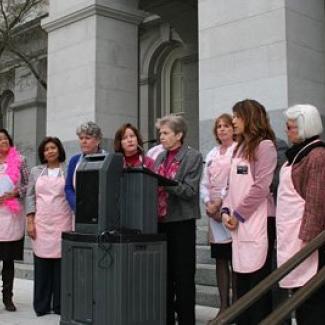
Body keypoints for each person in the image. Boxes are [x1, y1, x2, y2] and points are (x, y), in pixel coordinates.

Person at [222, 99, 277, 324]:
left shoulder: (265, 147)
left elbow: (261, 187)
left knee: (258, 284)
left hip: (259, 222)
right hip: (239, 226)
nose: (233, 121)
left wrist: (238, 214)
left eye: (237, 116)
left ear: (249, 117)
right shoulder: (238, 148)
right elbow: (230, 187)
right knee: (241, 283)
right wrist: (226, 210)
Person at [276, 104, 325, 324]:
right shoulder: (296, 155)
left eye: (291, 127)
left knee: (312, 300)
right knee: (300, 298)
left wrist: (308, 240)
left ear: (305, 127)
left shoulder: (317, 155)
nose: (287, 131)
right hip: (292, 236)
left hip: (307, 242)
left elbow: (316, 202)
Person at [154, 115, 203, 325]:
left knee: (183, 276)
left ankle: (186, 320)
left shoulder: (193, 156)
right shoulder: (159, 158)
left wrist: (165, 183)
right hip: (160, 222)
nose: (161, 137)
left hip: (182, 222)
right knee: (165, 275)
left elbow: (190, 191)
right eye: (160, 133)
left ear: (179, 135)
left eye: (165, 133)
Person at [25, 137, 73, 316]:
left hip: (63, 221)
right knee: (42, 265)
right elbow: (30, 196)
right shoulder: (36, 171)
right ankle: (42, 305)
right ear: (42, 154)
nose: (50, 151)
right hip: (42, 223)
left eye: (53, 148)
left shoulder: (68, 170)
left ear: (59, 150)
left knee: (61, 266)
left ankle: (60, 305)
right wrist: (30, 220)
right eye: (46, 149)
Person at [200, 114, 237, 321]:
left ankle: (238, 306)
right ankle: (223, 306)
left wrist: (219, 204)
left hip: (230, 211)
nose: (222, 130)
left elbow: (234, 182)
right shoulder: (212, 152)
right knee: (220, 260)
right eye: (219, 127)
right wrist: (207, 202)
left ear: (234, 129)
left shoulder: (238, 151)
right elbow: (205, 182)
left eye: (226, 126)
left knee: (235, 260)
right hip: (213, 215)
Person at [0, 128, 29, 312]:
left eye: (4, 138)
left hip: (11, 215)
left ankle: (7, 297)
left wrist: (16, 192)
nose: (1, 141)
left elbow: (28, 185)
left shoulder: (20, 161)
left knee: (8, 260)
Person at [65, 121, 104, 212]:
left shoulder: (107, 159)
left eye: (88, 138)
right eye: (81, 138)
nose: (84, 141)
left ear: (98, 140)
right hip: (79, 212)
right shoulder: (74, 160)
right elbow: (68, 187)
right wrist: (77, 204)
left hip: (101, 211)